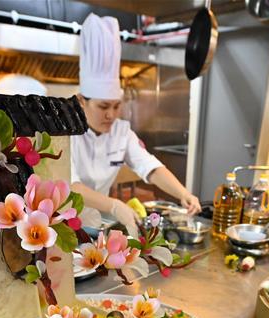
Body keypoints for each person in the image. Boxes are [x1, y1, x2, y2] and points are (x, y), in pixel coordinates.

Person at [71, 14, 200, 234]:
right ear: (82, 101)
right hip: (64, 223)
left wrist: (183, 194)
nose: (111, 115)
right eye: (103, 107)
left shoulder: (121, 132)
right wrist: (114, 205)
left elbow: (150, 167)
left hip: (99, 223)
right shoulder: (66, 135)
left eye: (116, 106)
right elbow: (71, 186)